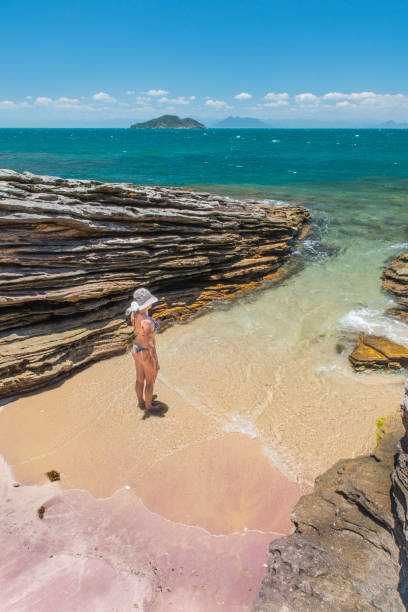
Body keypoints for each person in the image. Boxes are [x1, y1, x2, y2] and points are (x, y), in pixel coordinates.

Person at [126, 287, 160, 414]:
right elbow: (151, 345)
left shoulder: (134, 314)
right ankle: (149, 407)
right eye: (150, 301)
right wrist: (155, 362)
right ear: (146, 304)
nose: (152, 303)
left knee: (139, 379)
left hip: (136, 349)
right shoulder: (148, 322)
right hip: (146, 352)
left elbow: (140, 328)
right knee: (150, 382)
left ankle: (141, 402)